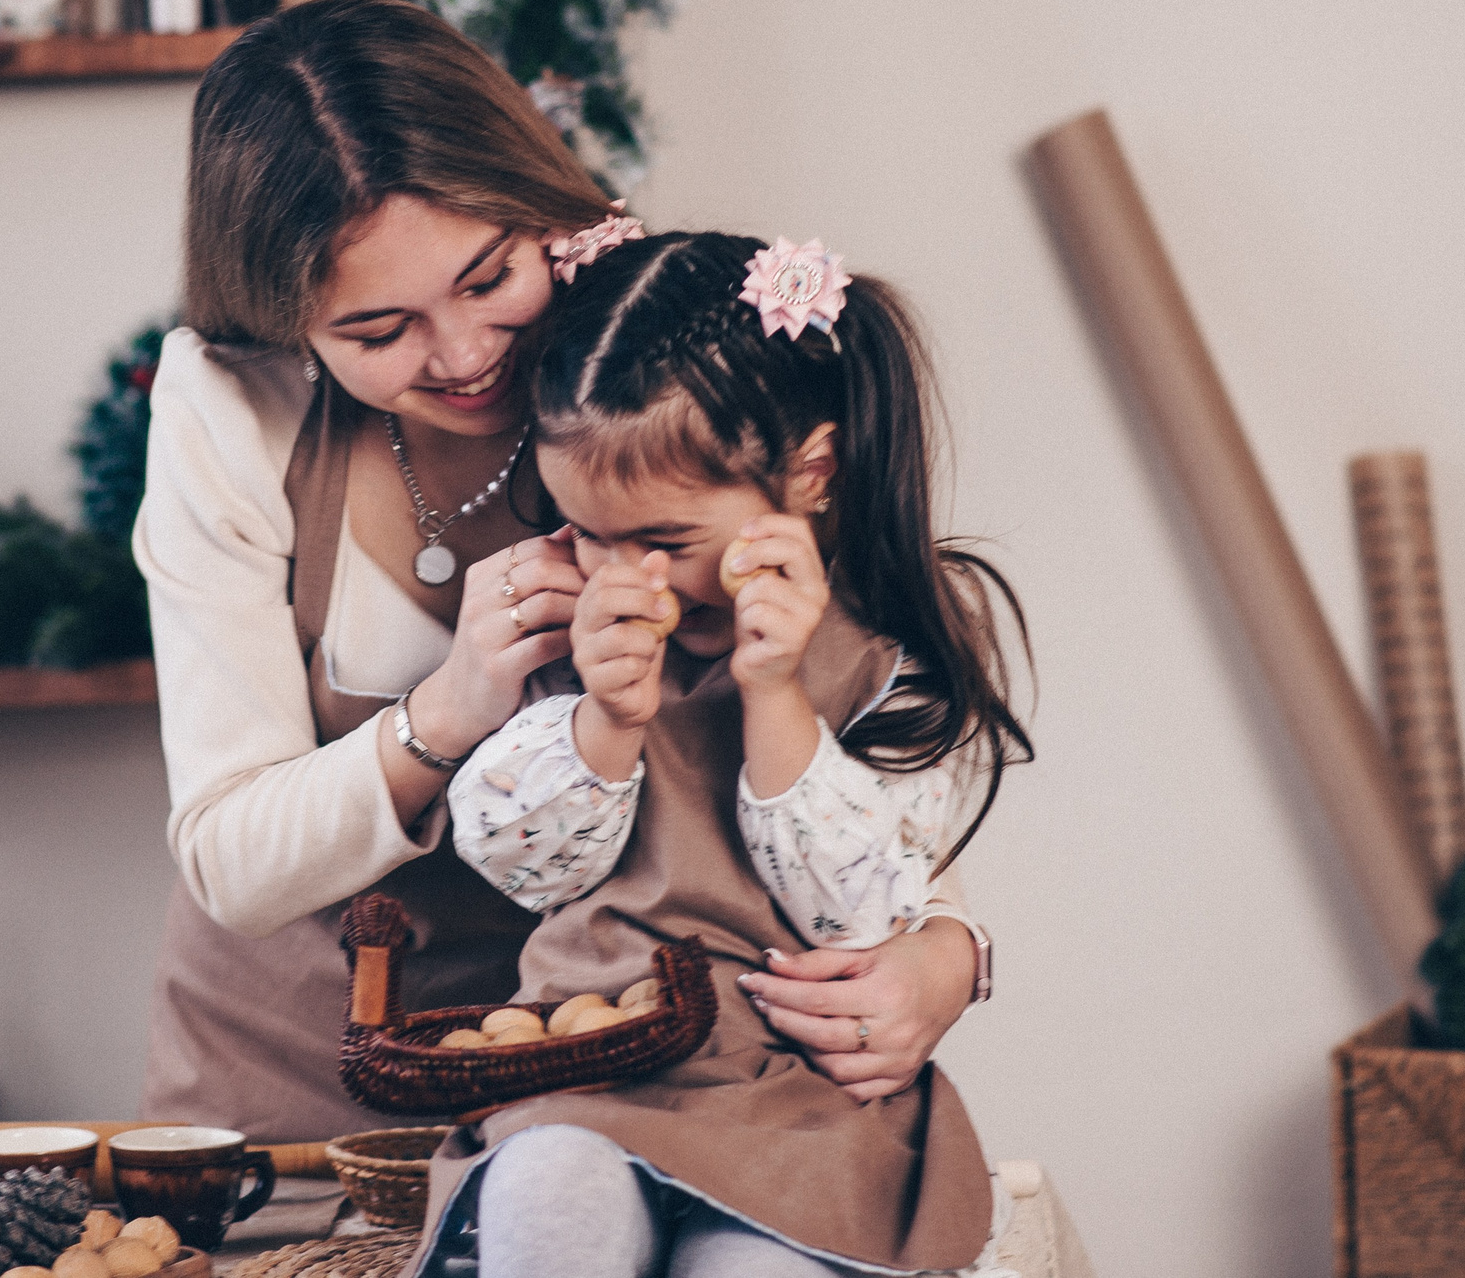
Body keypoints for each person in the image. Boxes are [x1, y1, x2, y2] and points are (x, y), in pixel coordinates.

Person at [133, 0, 995, 1142]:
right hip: (289, 1070)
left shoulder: (641, 357)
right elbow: (230, 860)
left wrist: (948, 943)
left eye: (489, 277)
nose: (463, 355)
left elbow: (843, 679)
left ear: (538, 210)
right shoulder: (232, 406)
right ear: (288, 323)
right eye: (378, 332)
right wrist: (450, 706)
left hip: (615, 1074)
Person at [409, 229, 1032, 1278]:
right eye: (586, 531)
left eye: (664, 541)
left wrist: (775, 694)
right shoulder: (570, 633)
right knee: (545, 1190)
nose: (625, 575)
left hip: (798, 1097)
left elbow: (862, 916)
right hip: (586, 1074)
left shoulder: (885, 658)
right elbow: (519, 864)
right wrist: (606, 719)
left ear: (810, 473)